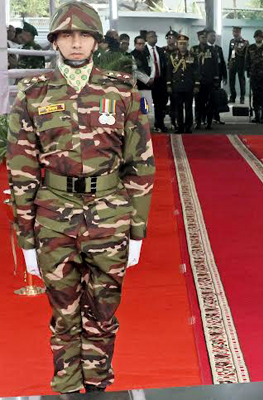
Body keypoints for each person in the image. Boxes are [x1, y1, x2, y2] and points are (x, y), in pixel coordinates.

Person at [7, 1, 155, 394]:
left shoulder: (122, 91)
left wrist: (137, 231)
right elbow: (20, 168)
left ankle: (98, 386)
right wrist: (25, 239)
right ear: (55, 41)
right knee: (63, 314)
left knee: (104, 314)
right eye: (67, 35)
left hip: (109, 218)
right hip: (53, 217)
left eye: (84, 35)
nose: (76, 43)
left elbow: (140, 164)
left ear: (96, 41)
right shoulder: (32, 93)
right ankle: (68, 388)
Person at [167, 33, 199, 134]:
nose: (182, 46)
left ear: (187, 45)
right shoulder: (172, 56)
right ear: (177, 44)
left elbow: (197, 71)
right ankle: (180, 127)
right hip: (177, 86)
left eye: (184, 44)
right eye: (180, 44)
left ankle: (188, 127)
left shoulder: (193, 56)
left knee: (189, 107)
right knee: (178, 108)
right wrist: (168, 84)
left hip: (189, 86)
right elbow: (169, 71)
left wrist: (197, 84)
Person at [195, 29, 226, 129]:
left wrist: (216, 79)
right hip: (198, 81)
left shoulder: (212, 49)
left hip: (209, 80)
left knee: (210, 102)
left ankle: (208, 122)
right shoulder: (194, 50)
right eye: (202, 37)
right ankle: (198, 121)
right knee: (199, 102)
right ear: (198, 38)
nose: (204, 39)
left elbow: (216, 65)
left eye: (205, 37)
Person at [246, 30, 263, 124]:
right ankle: (256, 115)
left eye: (260, 36)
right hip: (254, 76)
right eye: (257, 36)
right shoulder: (250, 48)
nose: (258, 38)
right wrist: (248, 74)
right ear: (254, 37)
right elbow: (247, 61)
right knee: (255, 96)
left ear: (262, 38)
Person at [228, 26, 246, 104]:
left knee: (241, 82)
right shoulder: (231, 41)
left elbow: (245, 54)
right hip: (233, 64)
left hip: (240, 64)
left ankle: (242, 97)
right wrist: (229, 62)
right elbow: (230, 52)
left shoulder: (244, 42)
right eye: (234, 31)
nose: (235, 33)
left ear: (239, 32)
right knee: (231, 82)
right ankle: (232, 97)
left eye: (237, 32)